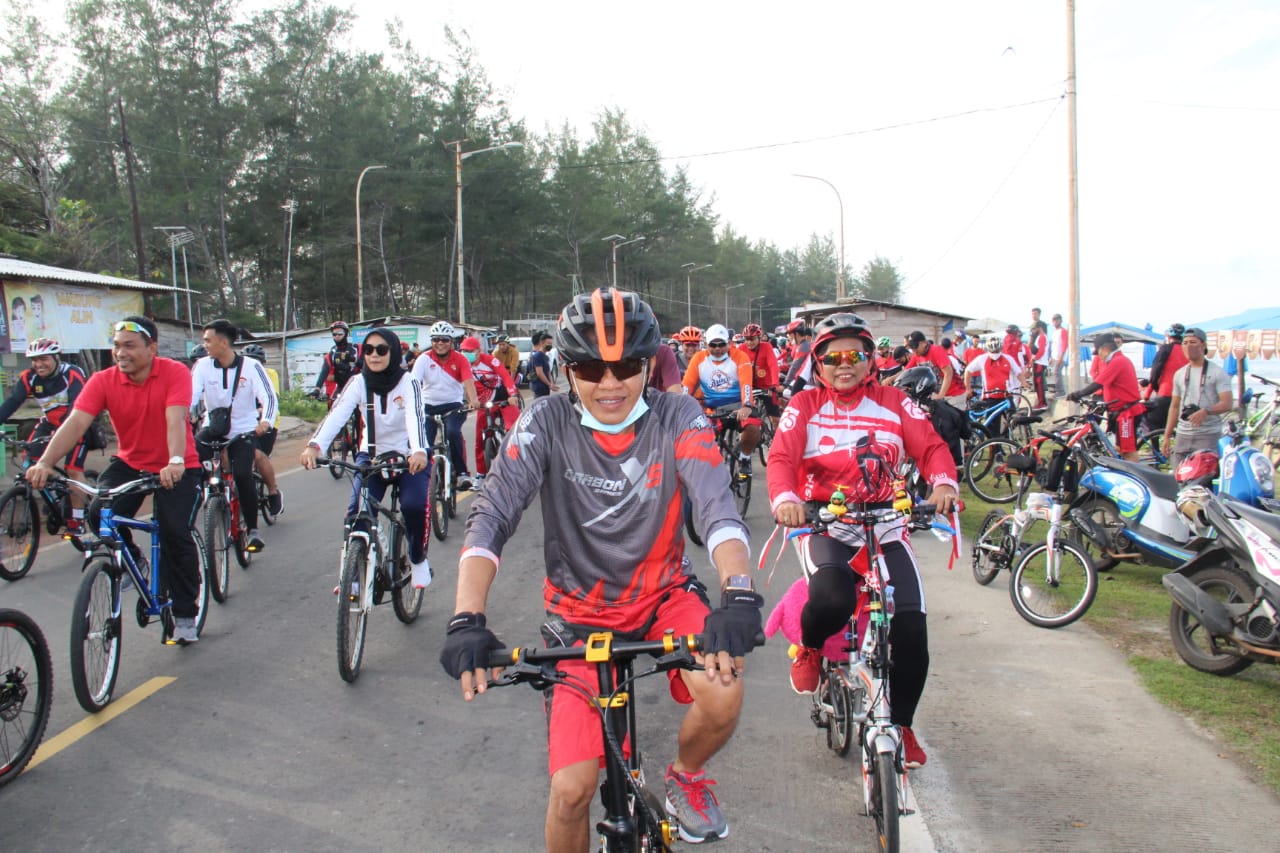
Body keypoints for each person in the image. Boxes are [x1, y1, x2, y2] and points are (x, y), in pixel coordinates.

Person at [440, 288, 758, 848]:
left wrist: (738, 594)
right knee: (570, 792)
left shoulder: (676, 413)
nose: (610, 383)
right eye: (591, 367)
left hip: (664, 597)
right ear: (567, 370)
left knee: (723, 690)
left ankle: (685, 775)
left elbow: (716, 509)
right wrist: (467, 617)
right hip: (577, 619)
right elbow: (490, 516)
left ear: (648, 365)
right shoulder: (545, 420)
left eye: (627, 366)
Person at [766, 312, 958, 769]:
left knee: (912, 628)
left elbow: (930, 447)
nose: (843, 364)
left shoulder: (894, 401)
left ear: (870, 358)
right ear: (818, 363)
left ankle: (903, 726)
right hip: (827, 525)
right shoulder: (806, 405)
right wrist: (786, 498)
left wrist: (944, 484)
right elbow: (780, 458)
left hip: (888, 523)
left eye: (854, 354)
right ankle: (811, 648)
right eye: (832, 357)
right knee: (831, 600)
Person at [26, 316, 204, 643]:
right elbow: (76, 423)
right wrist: (46, 463)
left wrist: (175, 460)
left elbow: (175, 420)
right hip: (130, 463)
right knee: (98, 513)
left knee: (173, 532)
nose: (120, 353)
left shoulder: (175, 372)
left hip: (178, 465)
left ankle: (184, 613)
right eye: (116, 346)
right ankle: (134, 557)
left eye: (130, 346)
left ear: (151, 349)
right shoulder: (103, 380)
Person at [301, 328, 433, 588]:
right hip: (371, 456)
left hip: (409, 456)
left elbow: (415, 417)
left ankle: (417, 560)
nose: (374, 355)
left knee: (414, 506)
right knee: (357, 514)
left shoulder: (409, 383)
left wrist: (418, 449)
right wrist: (315, 445)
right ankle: (352, 576)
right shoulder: (358, 382)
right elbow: (337, 415)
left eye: (381, 350)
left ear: (393, 352)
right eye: (369, 350)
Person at [190, 320, 278, 553]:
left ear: (224, 341)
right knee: (191, 463)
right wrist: (187, 414)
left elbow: (269, 397)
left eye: (208, 340)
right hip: (212, 429)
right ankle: (193, 515)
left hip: (244, 431)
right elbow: (191, 395)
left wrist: (266, 421)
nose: (205, 344)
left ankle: (252, 530)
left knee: (242, 474)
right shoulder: (201, 366)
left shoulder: (251, 367)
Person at [0, 338, 91, 532]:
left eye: (44, 359)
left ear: (56, 358)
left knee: (73, 469)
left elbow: (77, 407)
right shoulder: (29, 377)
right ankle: (54, 498)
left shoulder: (72, 374)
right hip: (49, 424)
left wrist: (63, 435)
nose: (39, 364)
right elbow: (12, 402)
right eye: (34, 360)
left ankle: (77, 520)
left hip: (75, 425)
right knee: (30, 465)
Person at [681, 323, 761, 477]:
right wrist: (679, 409)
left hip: (738, 407)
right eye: (713, 345)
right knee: (696, 438)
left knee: (753, 429)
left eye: (721, 344)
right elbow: (686, 387)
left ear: (728, 343)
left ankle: (744, 458)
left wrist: (747, 405)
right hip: (713, 410)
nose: (717, 348)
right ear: (706, 345)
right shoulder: (699, 358)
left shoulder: (739, 357)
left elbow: (746, 384)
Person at [412, 321, 479, 490]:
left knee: (453, 433)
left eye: (444, 340)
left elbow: (468, 382)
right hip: (428, 406)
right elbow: (413, 384)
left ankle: (462, 474)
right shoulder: (423, 359)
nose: (440, 343)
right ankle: (423, 476)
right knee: (424, 441)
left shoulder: (461, 359)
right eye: (436, 340)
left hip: (453, 406)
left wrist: (473, 400)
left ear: (451, 341)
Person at [1066, 332, 1144, 462]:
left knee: (1129, 453)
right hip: (1118, 412)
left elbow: (1097, 384)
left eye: (1098, 353)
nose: (1099, 357)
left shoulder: (1118, 361)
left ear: (1104, 348)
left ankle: (1135, 479)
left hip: (1127, 413)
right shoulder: (1116, 360)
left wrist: (1077, 394)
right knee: (1119, 448)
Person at [1162, 327, 1233, 468]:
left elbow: (1227, 403)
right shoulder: (1180, 374)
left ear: (1203, 345)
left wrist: (1206, 411)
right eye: (1185, 342)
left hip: (1208, 435)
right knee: (1179, 478)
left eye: (1193, 342)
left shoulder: (1218, 373)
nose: (1188, 346)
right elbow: (1175, 406)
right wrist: (1166, 436)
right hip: (1183, 435)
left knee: (1203, 481)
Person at [458, 335, 519, 486]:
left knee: (514, 431)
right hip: (483, 404)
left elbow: (505, 376)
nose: (466, 354)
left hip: (503, 397)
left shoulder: (490, 360)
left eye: (470, 351)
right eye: (463, 351)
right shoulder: (462, 364)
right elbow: (458, 386)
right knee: (479, 439)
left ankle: (518, 465)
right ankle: (481, 474)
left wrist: (512, 394)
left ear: (478, 351)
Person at [241, 344, 284, 516]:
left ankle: (273, 492)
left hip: (268, 423)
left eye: (257, 361)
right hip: (245, 423)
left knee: (258, 456)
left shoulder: (269, 374)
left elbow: (271, 398)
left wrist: (260, 413)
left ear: (264, 362)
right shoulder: (239, 375)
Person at [1144, 324, 1188, 435]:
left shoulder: (1165, 349)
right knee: (1180, 427)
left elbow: (1155, 372)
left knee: (1153, 426)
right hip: (1184, 395)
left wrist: (1149, 393)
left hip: (1166, 392)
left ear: (1168, 335)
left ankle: (1156, 450)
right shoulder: (1188, 351)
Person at [905, 330, 966, 408]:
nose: (914, 350)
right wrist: (891, 379)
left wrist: (941, 394)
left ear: (923, 343)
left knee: (953, 418)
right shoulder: (917, 355)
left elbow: (948, 372)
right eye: (911, 348)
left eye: (915, 347)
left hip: (954, 394)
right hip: (936, 393)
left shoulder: (936, 351)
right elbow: (906, 371)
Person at [741, 323, 780, 424]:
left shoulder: (766, 347)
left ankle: (777, 437)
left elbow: (773, 366)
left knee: (775, 418)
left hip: (766, 387)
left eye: (752, 339)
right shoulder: (741, 349)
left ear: (759, 338)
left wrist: (775, 385)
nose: (749, 342)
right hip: (749, 387)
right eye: (747, 339)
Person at [314, 320, 361, 400]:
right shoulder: (333, 352)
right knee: (334, 407)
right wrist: (317, 389)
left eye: (340, 333)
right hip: (341, 387)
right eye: (334, 334)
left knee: (362, 410)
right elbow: (324, 371)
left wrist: (352, 359)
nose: (337, 336)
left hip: (358, 386)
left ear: (346, 334)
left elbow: (366, 365)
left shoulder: (357, 348)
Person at [527, 331, 559, 397]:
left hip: (545, 387)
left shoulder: (545, 356)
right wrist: (549, 384)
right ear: (542, 343)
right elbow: (540, 373)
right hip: (539, 387)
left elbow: (548, 372)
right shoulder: (537, 356)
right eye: (548, 343)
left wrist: (551, 383)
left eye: (551, 344)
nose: (550, 345)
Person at [1047, 313, 1069, 401]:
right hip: (1055, 356)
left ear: (1060, 320)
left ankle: (1061, 391)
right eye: (1054, 320)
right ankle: (1057, 390)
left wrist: (1061, 356)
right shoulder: (1054, 332)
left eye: (1057, 319)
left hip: (1060, 356)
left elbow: (1064, 344)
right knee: (1054, 373)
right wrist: (1051, 357)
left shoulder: (1063, 331)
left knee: (1057, 372)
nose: (1055, 321)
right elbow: (1053, 345)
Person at [1028, 321, 1050, 408]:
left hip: (1040, 362)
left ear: (1039, 328)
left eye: (1034, 329)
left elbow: (1041, 351)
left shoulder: (1042, 337)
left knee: (1039, 383)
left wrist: (1034, 358)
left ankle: (1042, 403)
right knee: (1037, 383)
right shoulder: (1040, 337)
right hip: (1039, 362)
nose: (1033, 331)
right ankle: (1041, 402)